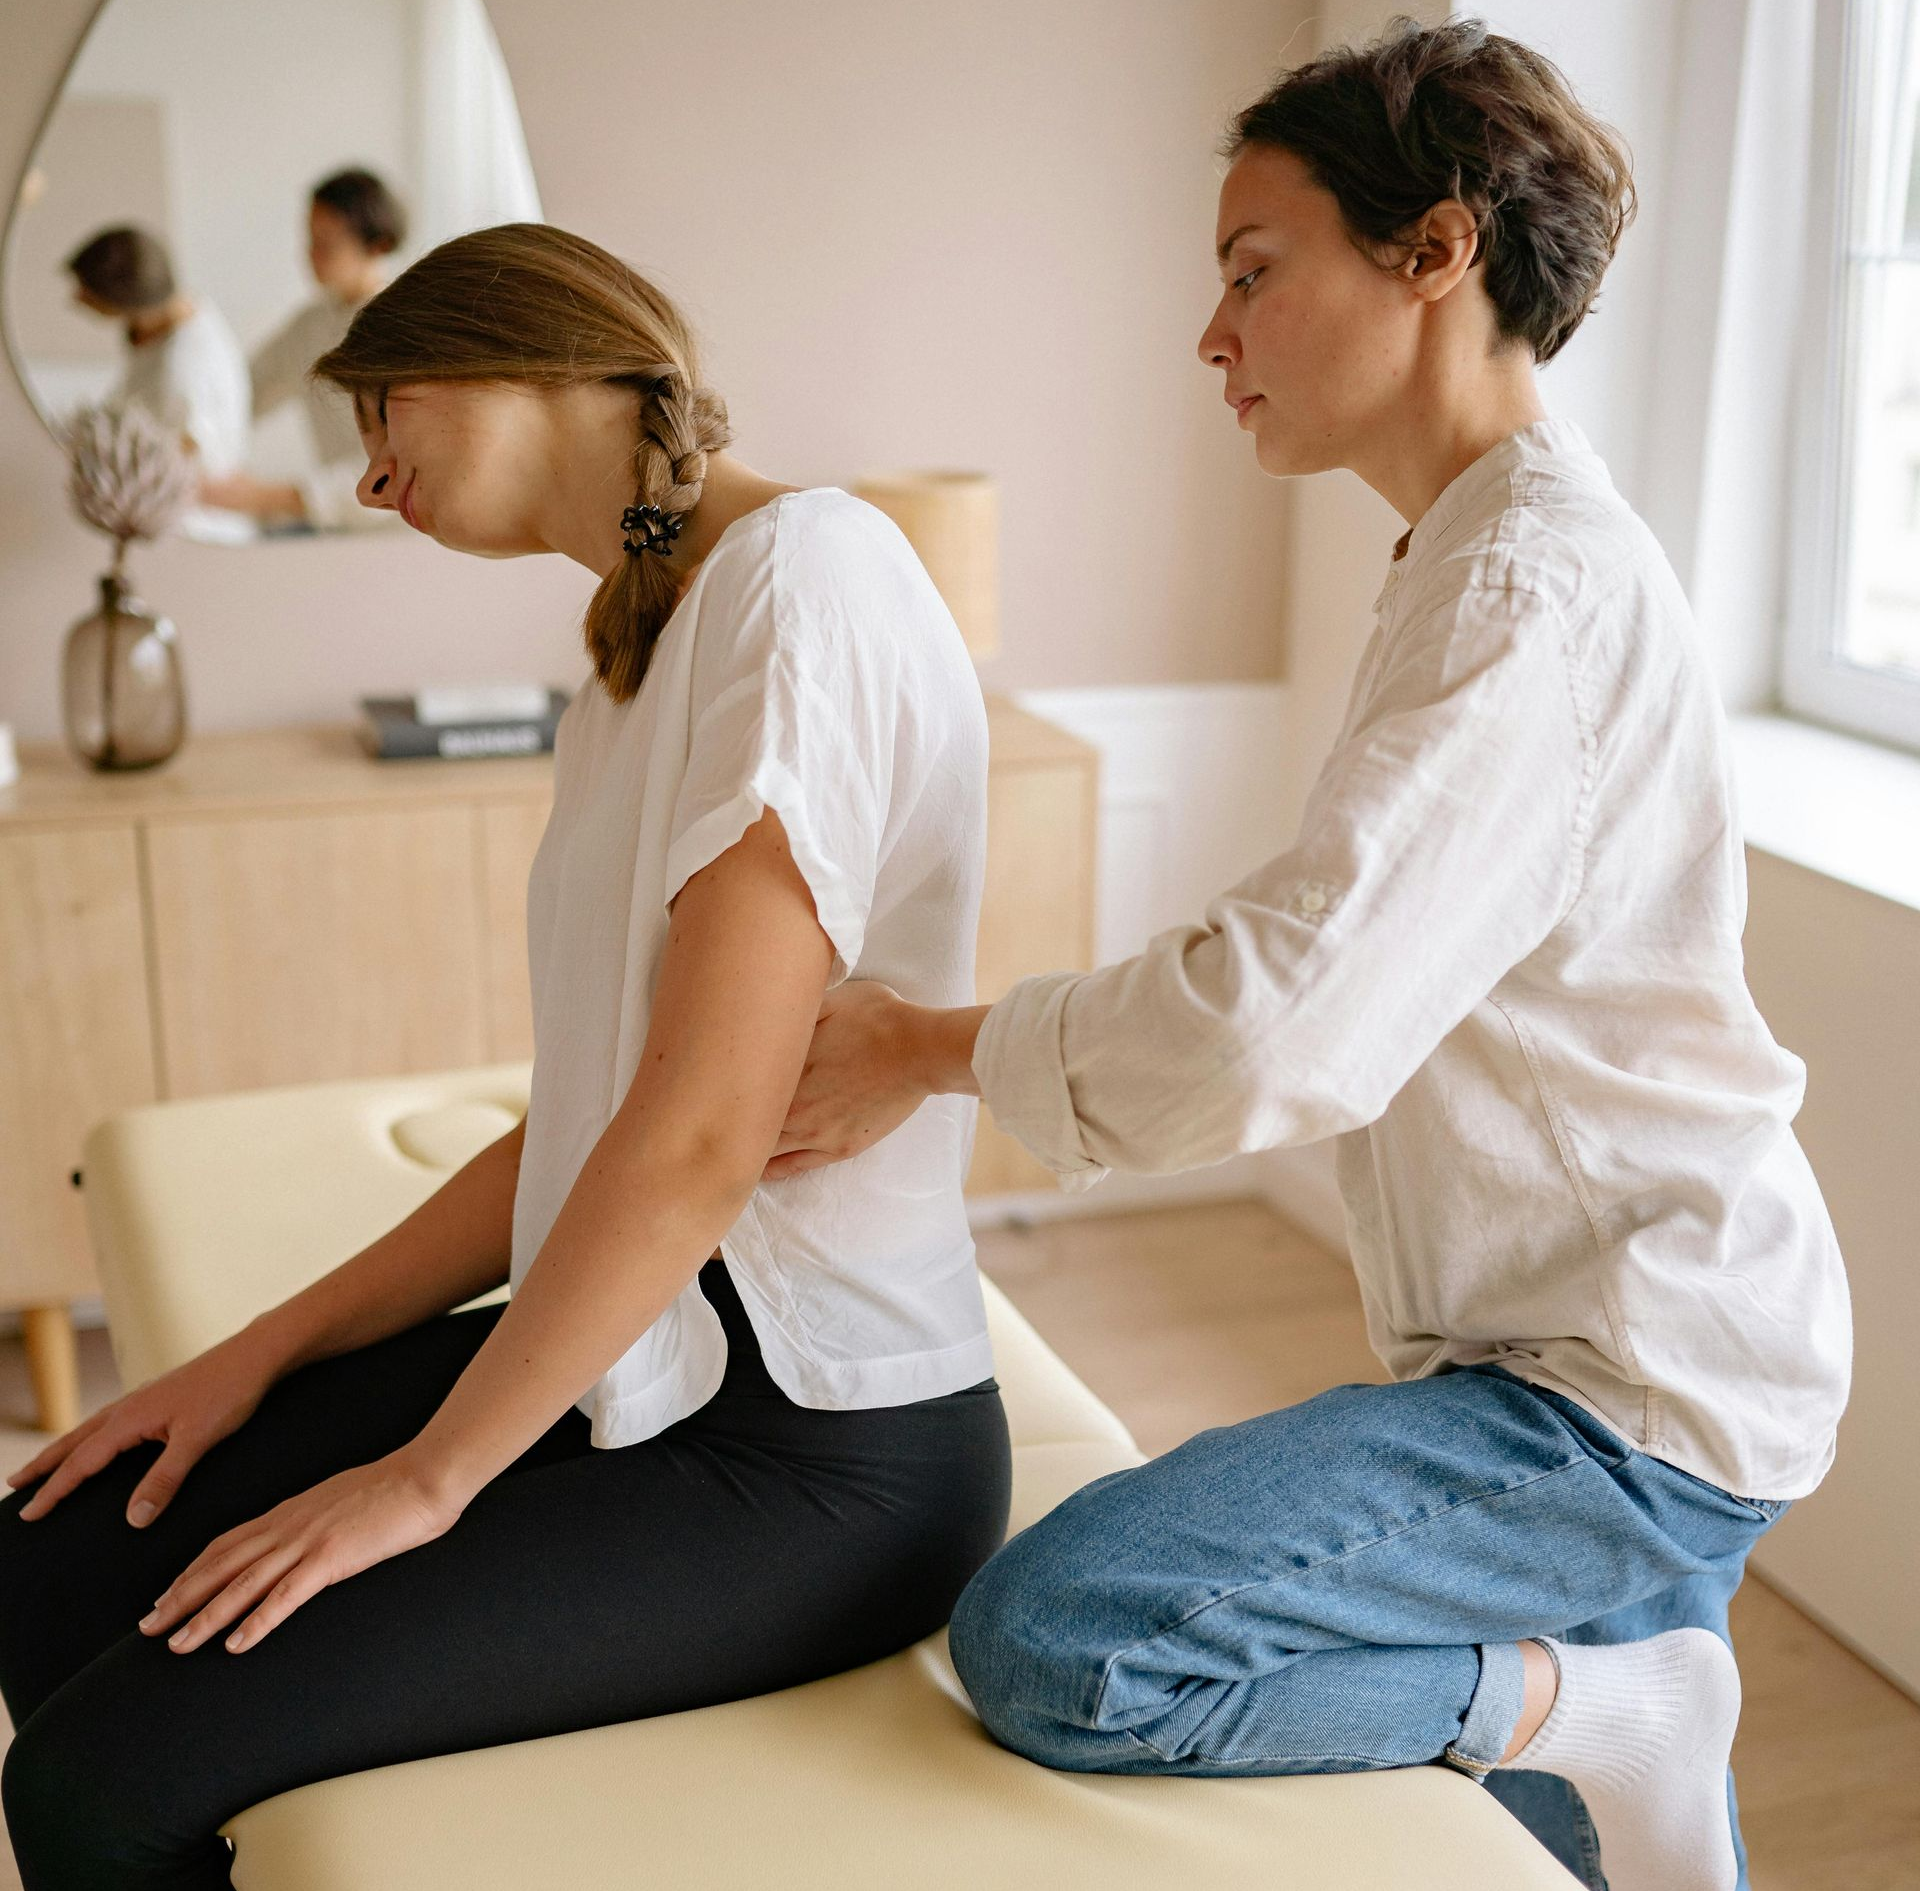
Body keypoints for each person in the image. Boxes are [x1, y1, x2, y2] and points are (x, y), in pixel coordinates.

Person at [766, 20, 1850, 1891]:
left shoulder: (1524, 595)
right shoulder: (1479, 554)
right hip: (1614, 1347)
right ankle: (1622, 1724)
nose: (1212, 337)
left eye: (1253, 275)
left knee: (1067, 1635)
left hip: (1622, 1389)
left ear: (1435, 252)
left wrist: (918, 1048)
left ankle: (1626, 1714)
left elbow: (1277, 1023)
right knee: (1590, 1846)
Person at [0, 221, 1010, 1889]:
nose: (368, 474)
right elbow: (589, 1132)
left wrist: (421, 1481)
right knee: (46, 1557)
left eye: (382, 407)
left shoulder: (807, 577)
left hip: (820, 1449)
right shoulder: (632, 658)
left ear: (520, 354)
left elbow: (697, 1140)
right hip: (655, 1358)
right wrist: (251, 1357)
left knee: (99, 1786)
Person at [201, 169, 409, 531]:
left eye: (326, 243)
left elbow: (403, 467)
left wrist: (263, 497)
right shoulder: (310, 326)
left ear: (376, 245)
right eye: (309, 240)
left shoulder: (404, 329)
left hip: (396, 535)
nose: (311, 255)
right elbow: (243, 391)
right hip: (336, 535)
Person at [66, 223, 250, 509]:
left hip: (185, 522)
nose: (76, 299)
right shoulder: (186, 315)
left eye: (86, 292)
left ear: (122, 299)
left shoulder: (184, 369)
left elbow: (187, 460)